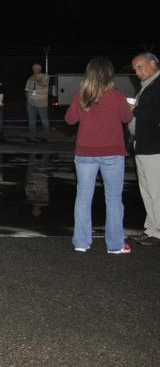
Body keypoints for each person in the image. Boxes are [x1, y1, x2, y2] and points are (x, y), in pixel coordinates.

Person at [65, 56, 135, 254]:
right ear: (110, 75)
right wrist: (129, 108)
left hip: (85, 153)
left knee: (83, 197)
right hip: (112, 153)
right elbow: (127, 118)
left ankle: (81, 242)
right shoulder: (117, 96)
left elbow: (70, 120)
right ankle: (115, 245)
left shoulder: (82, 95)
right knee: (113, 198)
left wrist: (79, 96)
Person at [129, 52, 160, 246]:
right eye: (135, 69)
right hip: (142, 145)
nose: (137, 72)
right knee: (147, 191)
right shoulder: (146, 87)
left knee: (156, 191)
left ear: (153, 64)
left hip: (154, 147)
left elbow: (153, 113)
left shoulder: (157, 86)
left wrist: (134, 110)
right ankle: (152, 230)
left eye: (140, 67)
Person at [24, 63, 51, 142]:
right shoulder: (30, 78)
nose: (34, 70)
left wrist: (36, 78)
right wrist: (28, 99)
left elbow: (42, 85)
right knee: (31, 121)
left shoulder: (45, 76)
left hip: (42, 103)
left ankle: (45, 137)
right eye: (33, 69)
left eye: (36, 69)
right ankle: (32, 137)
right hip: (31, 103)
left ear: (40, 69)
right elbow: (26, 90)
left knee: (44, 121)